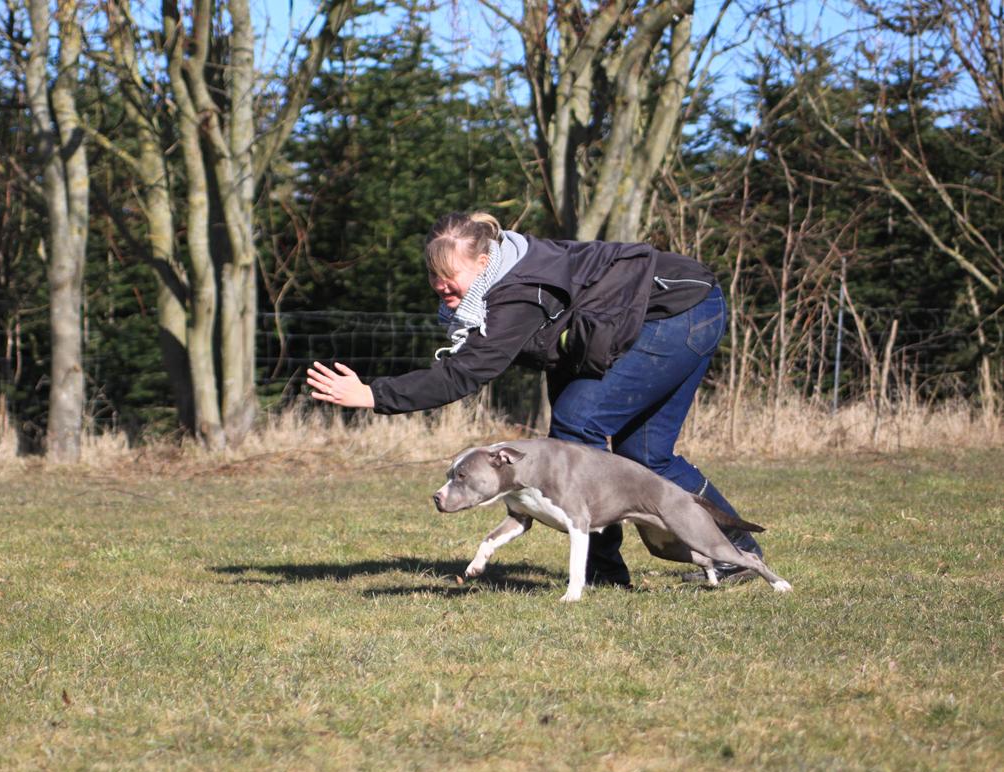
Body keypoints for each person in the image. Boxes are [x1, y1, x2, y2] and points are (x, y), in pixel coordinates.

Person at [306, 211, 762, 587]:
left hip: (678, 313)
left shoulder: (517, 294)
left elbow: (464, 374)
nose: (440, 288)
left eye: (451, 277)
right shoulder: (501, 275)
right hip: (656, 317)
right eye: (434, 276)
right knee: (643, 453)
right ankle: (733, 558)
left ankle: (604, 571)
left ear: (485, 263)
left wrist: (372, 394)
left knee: (573, 427)